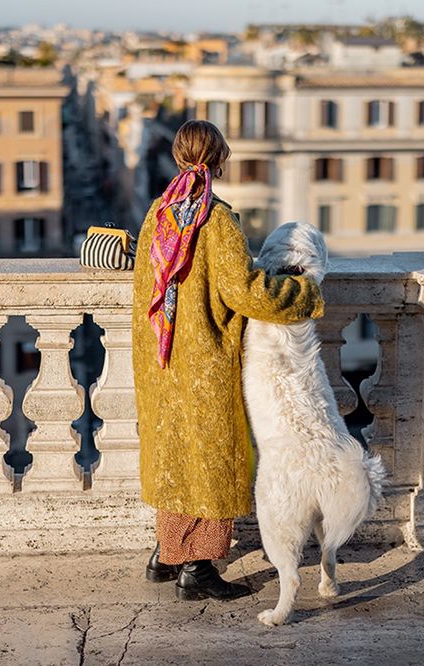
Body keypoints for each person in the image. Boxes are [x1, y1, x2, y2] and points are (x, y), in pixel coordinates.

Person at [132, 119, 325, 601]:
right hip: (203, 361)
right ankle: (198, 568)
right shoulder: (214, 219)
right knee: (215, 459)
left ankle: (167, 552)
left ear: (178, 158)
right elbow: (243, 291)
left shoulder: (160, 211)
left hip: (162, 358)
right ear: (219, 160)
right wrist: (303, 291)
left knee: (175, 455)